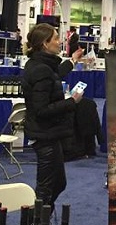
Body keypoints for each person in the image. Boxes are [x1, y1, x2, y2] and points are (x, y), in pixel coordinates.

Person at [22, 23, 84, 207]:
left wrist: (72, 61)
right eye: (56, 38)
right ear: (45, 43)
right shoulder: (41, 69)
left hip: (49, 133)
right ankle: (37, 222)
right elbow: (41, 110)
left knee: (57, 183)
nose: (60, 41)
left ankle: (41, 219)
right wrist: (71, 102)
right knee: (46, 187)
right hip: (44, 135)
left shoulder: (42, 65)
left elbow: (55, 74)